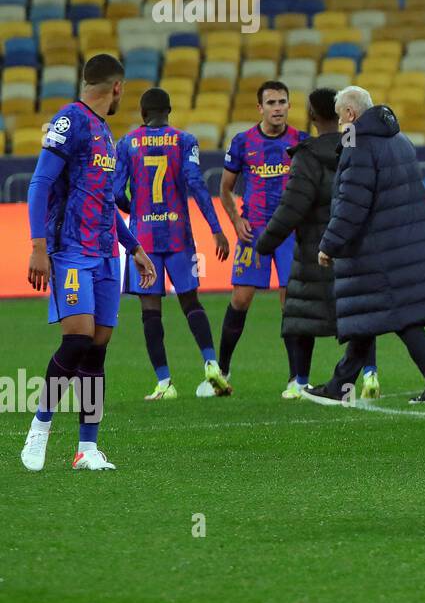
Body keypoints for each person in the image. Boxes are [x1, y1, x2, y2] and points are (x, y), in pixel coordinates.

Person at [21, 55, 157, 472]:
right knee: (76, 341)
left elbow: (102, 200)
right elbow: (40, 182)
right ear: (117, 88)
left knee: (97, 350)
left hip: (105, 254)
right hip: (71, 251)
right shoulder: (71, 120)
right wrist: (38, 247)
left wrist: (132, 246)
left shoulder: (105, 131)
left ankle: (87, 449)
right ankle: (40, 427)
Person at [308, 87, 425, 404]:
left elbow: (352, 202)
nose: (338, 125)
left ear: (350, 114)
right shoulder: (398, 139)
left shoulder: (358, 144)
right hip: (401, 242)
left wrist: (330, 244)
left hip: (378, 249)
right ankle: (341, 386)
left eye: (340, 118)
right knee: (375, 315)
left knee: (397, 316)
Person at [255, 88, 377, 401]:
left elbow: (292, 206)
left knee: (299, 319)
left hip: (313, 250)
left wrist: (265, 243)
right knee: (356, 318)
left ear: (310, 116)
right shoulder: (356, 148)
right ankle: (365, 379)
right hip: (353, 247)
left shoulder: (306, 156)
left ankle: (300, 382)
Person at [114, 87, 229, 402]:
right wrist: (216, 228)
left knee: (150, 310)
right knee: (191, 302)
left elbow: (114, 192)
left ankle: (165, 383)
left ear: (142, 114)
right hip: (179, 234)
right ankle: (211, 362)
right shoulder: (185, 140)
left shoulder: (127, 144)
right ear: (170, 111)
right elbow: (196, 183)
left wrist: (133, 207)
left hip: (144, 240)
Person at [215, 82, 304, 396]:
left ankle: (296, 379)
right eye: (271, 102)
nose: (277, 107)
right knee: (240, 299)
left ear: (289, 106)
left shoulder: (300, 142)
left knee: (289, 302)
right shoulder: (243, 143)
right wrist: (236, 220)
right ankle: (221, 372)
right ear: (260, 108)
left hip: (289, 233)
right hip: (253, 232)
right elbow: (224, 188)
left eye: (282, 101)